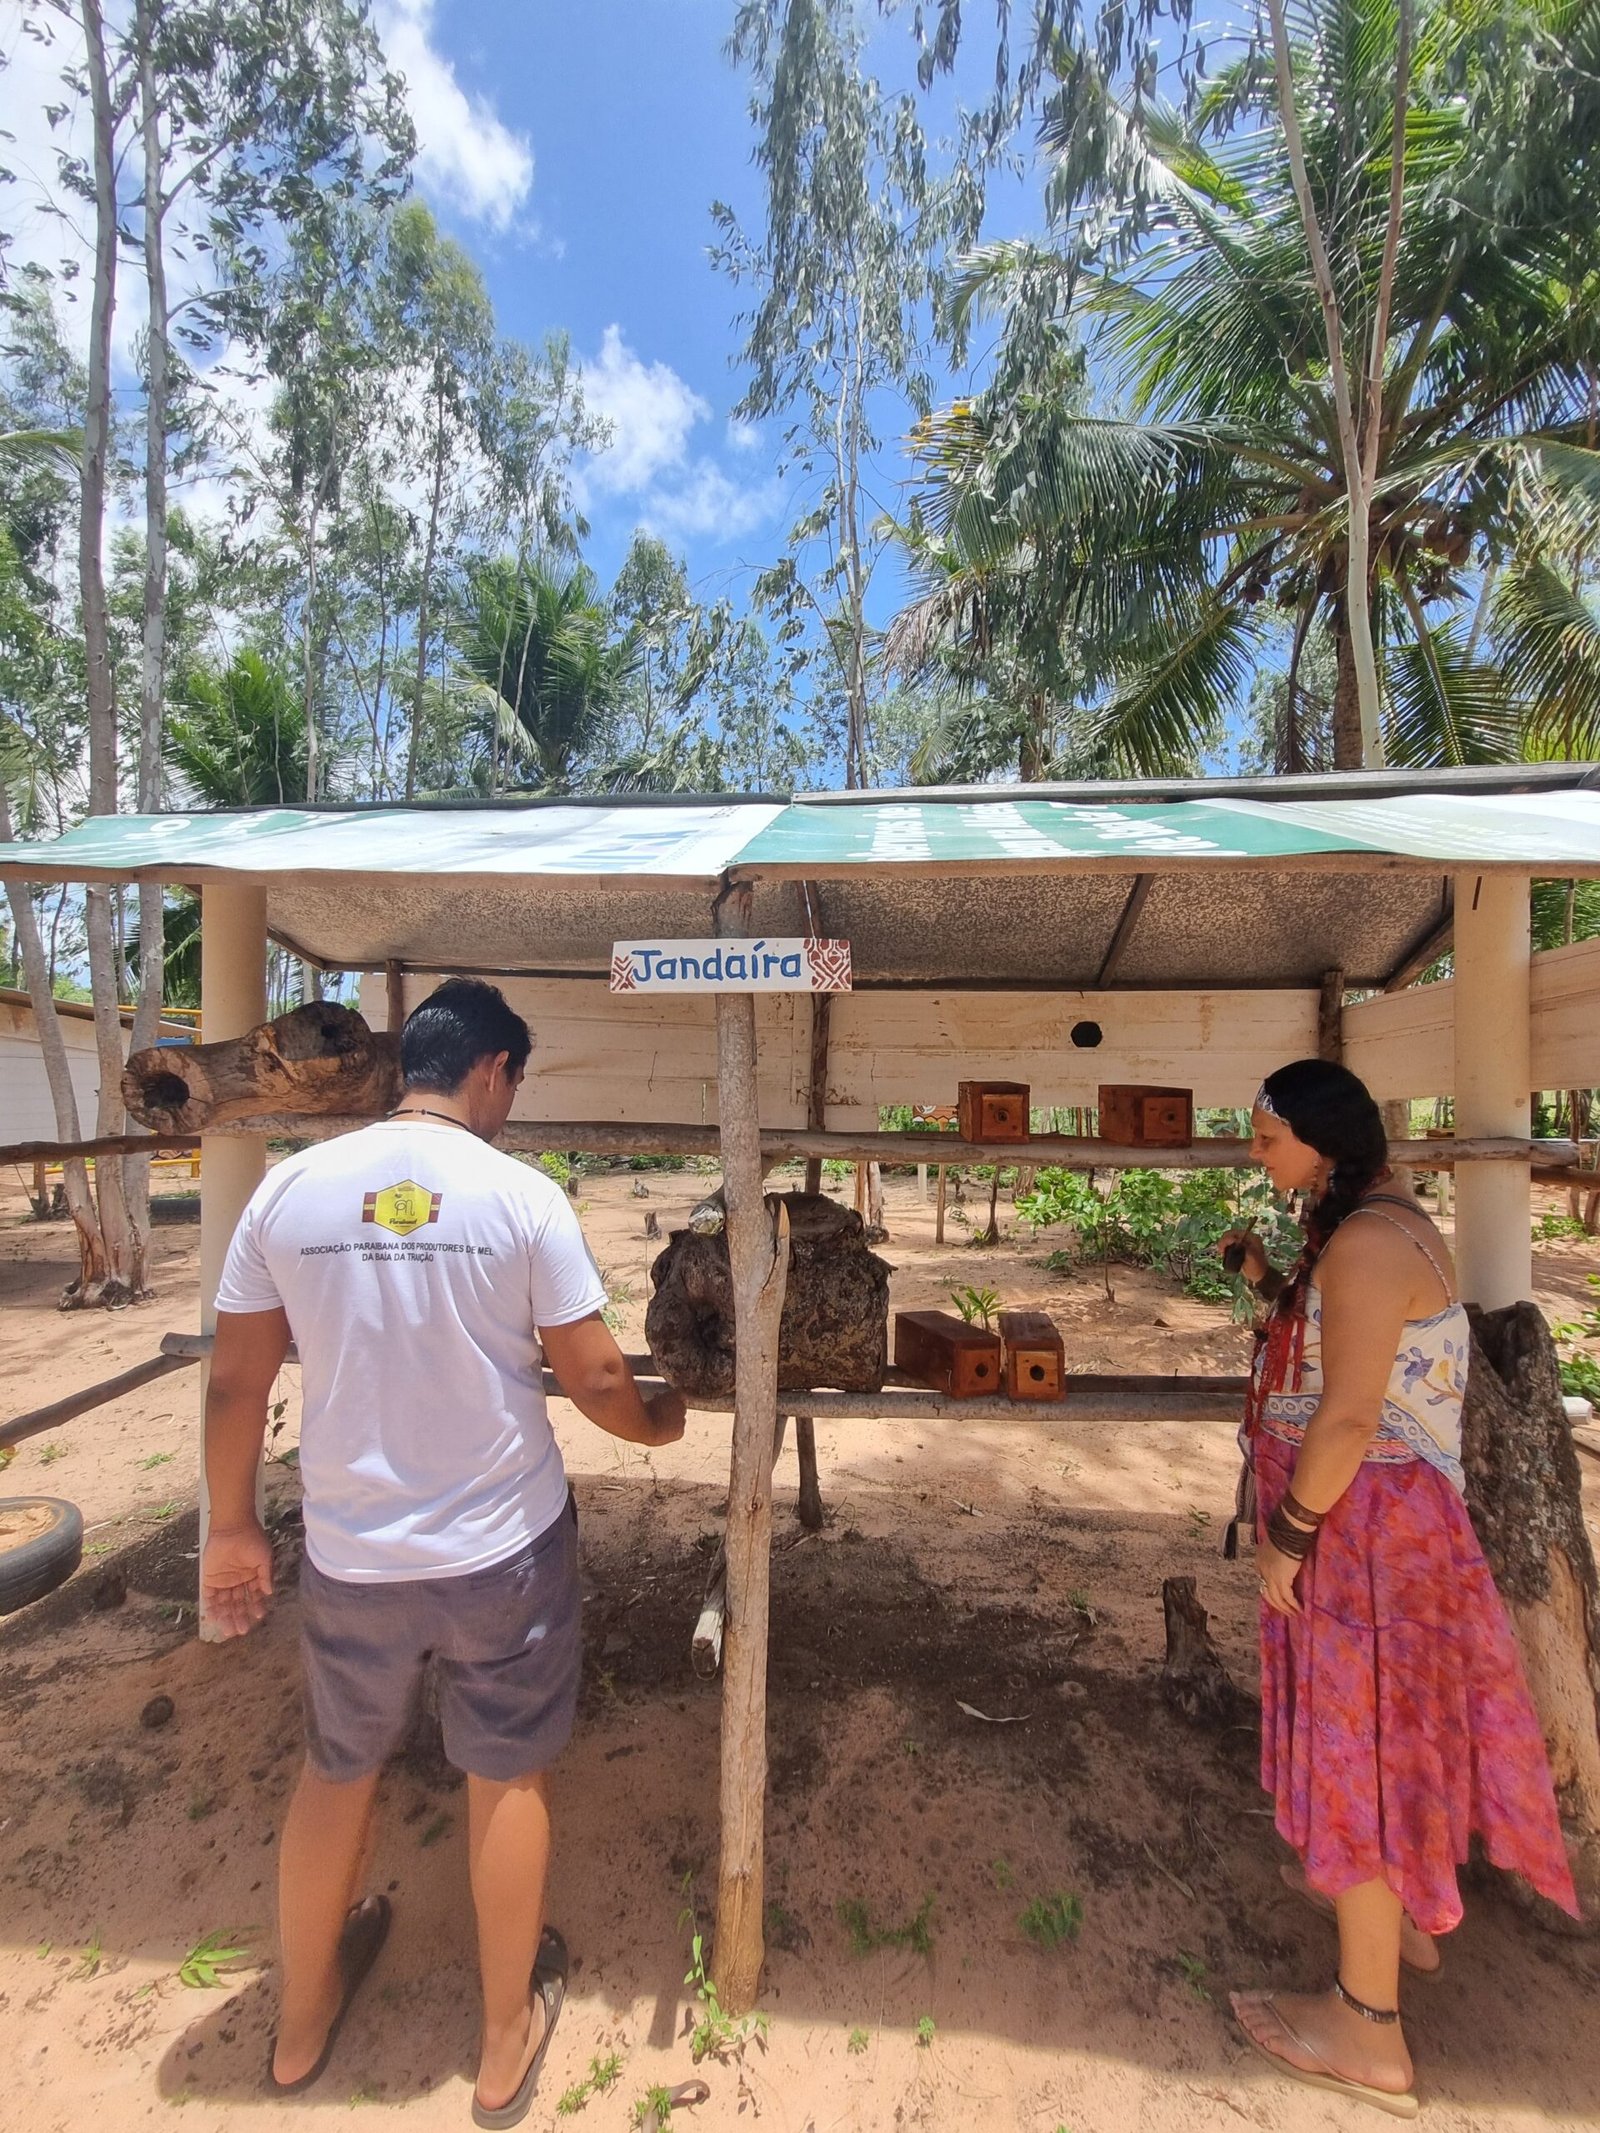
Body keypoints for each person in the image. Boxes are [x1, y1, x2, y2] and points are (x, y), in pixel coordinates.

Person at [201, 978, 686, 2128]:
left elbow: (234, 1382)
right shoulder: (521, 1197)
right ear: (492, 1070)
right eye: (514, 1082)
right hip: (499, 1546)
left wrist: (229, 1525)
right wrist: (666, 1422)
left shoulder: (289, 1190)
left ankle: (302, 2026)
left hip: (352, 1552)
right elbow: (597, 1379)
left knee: (337, 1771)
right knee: (506, 1773)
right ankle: (503, 2045)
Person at [1220, 1058, 1577, 2120]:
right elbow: (1344, 1354)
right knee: (1384, 1742)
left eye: (1268, 1139)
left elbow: (1346, 1418)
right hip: (1381, 1532)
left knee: (1361, 1752)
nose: (1257, 1154)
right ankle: (1399, 1922)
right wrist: (1265, 1283)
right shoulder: (1376, 1225)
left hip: (1366, 1540)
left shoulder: (1371, 1245)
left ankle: (1366, 2028)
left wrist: (1287, 1536)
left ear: (1322, 1141)